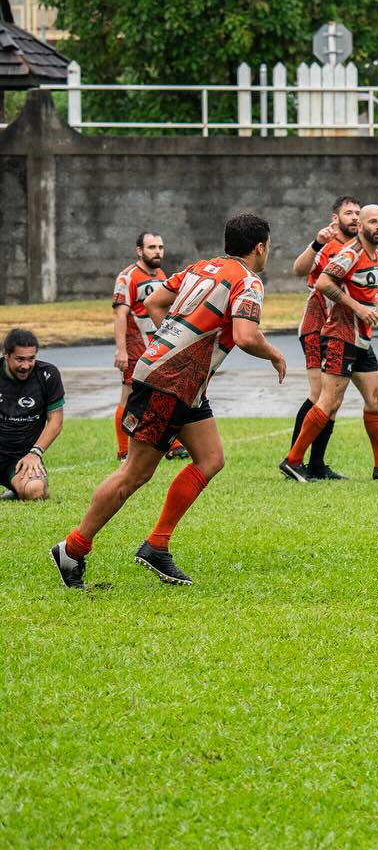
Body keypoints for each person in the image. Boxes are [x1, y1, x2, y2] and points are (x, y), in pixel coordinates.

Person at [50, 214, 287, 588]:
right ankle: (73, 549)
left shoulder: (200, 268)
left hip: (182, 383)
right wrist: (274, 354)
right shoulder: (249, 280)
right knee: (135, 473)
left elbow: (156, 302)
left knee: (211, 460)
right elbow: (245, 335)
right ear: (260, 247)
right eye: (268, 247)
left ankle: (157, 546)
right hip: (169, 382)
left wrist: (174, 343)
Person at [281, 204, 378, 482]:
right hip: (340, 336)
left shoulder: (376, 255)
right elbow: (323, 282)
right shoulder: (350, 252)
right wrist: (357, 307)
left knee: (376, 399)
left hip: (361, 338)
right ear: (362, 225)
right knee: (328, 401)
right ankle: (293, 461)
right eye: (373, 222)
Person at [287, 196, 361, 480]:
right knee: (319, 395)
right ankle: (294, 460)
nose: (355, 217)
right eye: (348, 213)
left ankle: (316, 463)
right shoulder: (327, 245)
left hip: (340, 330)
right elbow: (298, 269)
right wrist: (316, 243)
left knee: (333, 399)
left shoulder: (359, 249)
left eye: (357, 212)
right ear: (335, 218)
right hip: (317, 327)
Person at [111, 232, 174, 461]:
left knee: (166, 391)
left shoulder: (162, 275)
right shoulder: (127, 277)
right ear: (139, 251)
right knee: (129, 394)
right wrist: (121, 350)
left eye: (160, 247)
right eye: (151, 247)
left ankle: (172, 444)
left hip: (157, 345)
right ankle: (123, 450)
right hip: (136, 345)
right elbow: (120, 314)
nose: (157, 251)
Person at [1, 329, 63, 502]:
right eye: (20, 359)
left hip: (22, 457)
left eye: (31, 359)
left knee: (35, 491)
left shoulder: (48, 375)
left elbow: (55, 422)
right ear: (6, 356)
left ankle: (16, 488)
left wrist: (35, 453)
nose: (26, 365)